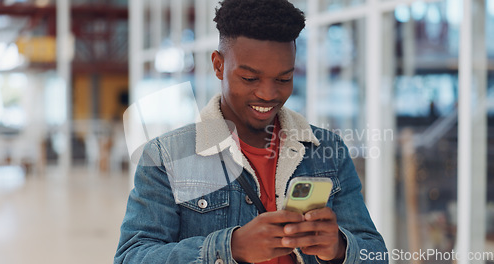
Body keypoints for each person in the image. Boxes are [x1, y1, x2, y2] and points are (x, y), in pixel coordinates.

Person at [114, 0, 387, 263]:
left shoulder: (328, 151)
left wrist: (339, 249)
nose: (268, 93)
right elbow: (132, 257)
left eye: (284, 79)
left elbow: (375, 254)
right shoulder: (167, 157)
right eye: (249, 78)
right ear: (219, 66)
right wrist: (231, 248)